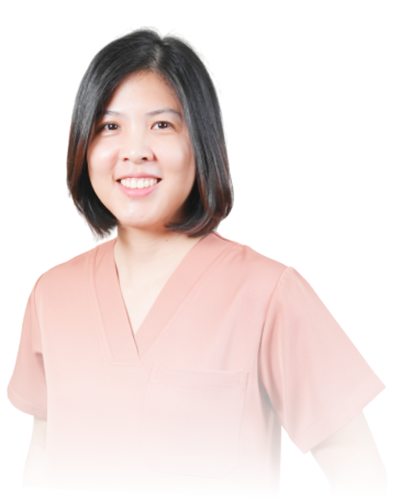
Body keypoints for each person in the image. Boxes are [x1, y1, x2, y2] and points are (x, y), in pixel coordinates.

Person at [7, 27, 387, 499]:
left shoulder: (268, 294)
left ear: (201, 141)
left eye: (162, 125)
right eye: (109, 126)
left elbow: (360, 474)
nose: (135, 151)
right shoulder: (51, 295)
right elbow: (43, 453)